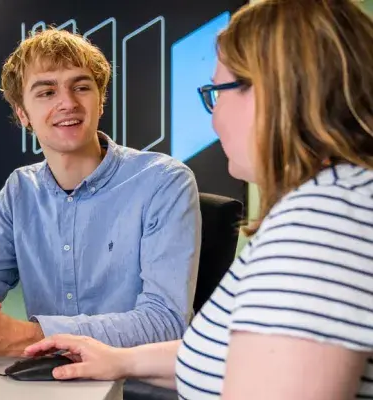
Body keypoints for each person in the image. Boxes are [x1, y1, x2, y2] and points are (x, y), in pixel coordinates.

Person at [21, 0, 373, 398]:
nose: (214, 118)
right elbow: (246, 358)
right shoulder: (340, 199)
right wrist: (119, 360)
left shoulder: (323, 224)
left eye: (217, 93)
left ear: (278, 93)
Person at [0, 28, 202, 358]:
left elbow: (166, 322)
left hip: (133, 382)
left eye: (81, 87)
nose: (67, 103)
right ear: (23, 114)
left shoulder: (164, 182)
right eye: (47, 92)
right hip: (44, 379)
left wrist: (29, 336)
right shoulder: (19, 191)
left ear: (101, 101)